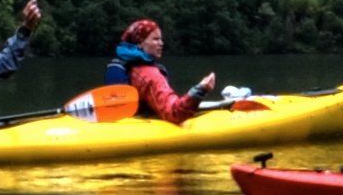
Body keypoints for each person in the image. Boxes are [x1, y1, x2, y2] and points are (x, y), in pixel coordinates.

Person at [104, 16, 246, 125]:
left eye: (161, 39)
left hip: (125, 123)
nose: (161, 43)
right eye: (155, 39)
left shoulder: (122, 66)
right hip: (146, 127)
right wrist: (200, 90)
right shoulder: (149, 75)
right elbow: (174, 113)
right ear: (140, 43)